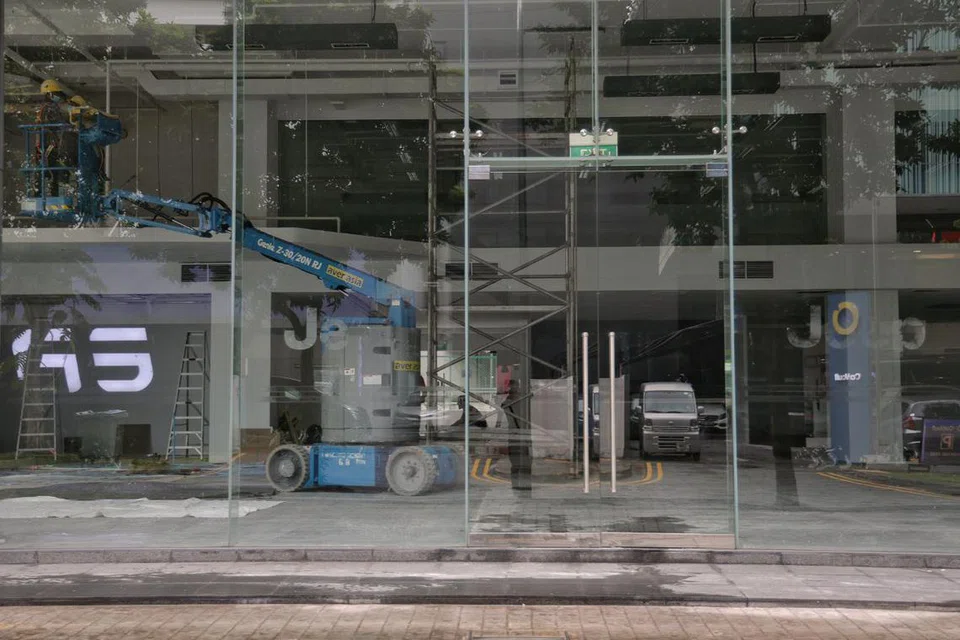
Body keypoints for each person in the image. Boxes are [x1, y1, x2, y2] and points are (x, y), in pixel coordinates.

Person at [505, 380, 532, 491]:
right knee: (518, 462)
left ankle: (520, 484)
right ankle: (518, 484)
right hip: (517, 435)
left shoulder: (512, 402)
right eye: (515, 388)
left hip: (518, 435)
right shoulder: (511, 403)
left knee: (522, 462)